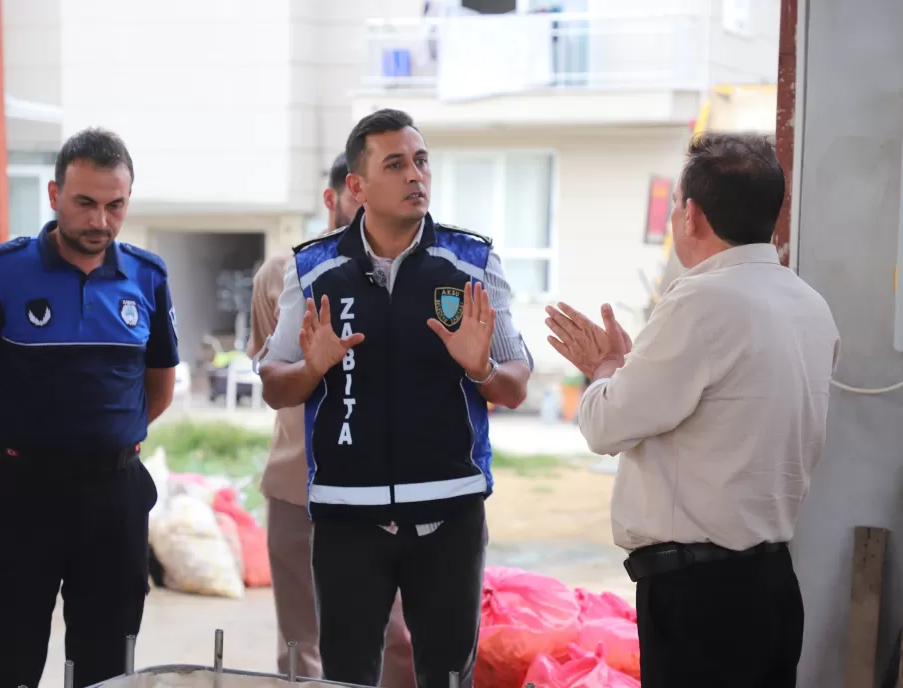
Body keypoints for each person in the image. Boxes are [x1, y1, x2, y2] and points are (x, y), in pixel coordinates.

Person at [544, 133, 840, 688]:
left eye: (678, 205)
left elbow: (604, 426)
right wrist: (628, 370)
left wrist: (605, 368)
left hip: (702, 598)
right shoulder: (810, 305)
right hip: (772, 582)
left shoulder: (702, 300)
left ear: (692, 215)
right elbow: (714, 410)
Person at [259, 108, 532, 688]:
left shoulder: (472, 262)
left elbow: (515, 382)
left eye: (421, 161)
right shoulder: (313, 269)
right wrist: (312, 368)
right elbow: (274, 384)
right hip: (346, 518)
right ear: (356, 187)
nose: (415, 175)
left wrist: (481, 368)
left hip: (450, 514)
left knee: (445, 676)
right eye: (396, 164)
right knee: (347, 677)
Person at [0, 128, 179, 688]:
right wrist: (11, 447)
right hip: (21, 498)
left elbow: (159, 389)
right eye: (85, 203)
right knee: (11, 655)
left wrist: (105, 442)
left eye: (115, 205)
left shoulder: (148, 277)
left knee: (107, 664)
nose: (100, 220)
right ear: (54, 195)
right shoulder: (1, 272)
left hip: (114, 499)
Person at [249, 153, 417, 687]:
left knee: (400, 641)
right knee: (302, 648)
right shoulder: (282, 272)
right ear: (334, 197)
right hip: (297, 487)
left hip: (383, 490)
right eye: (360, 194)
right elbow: (269, 374)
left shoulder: (410, 271)